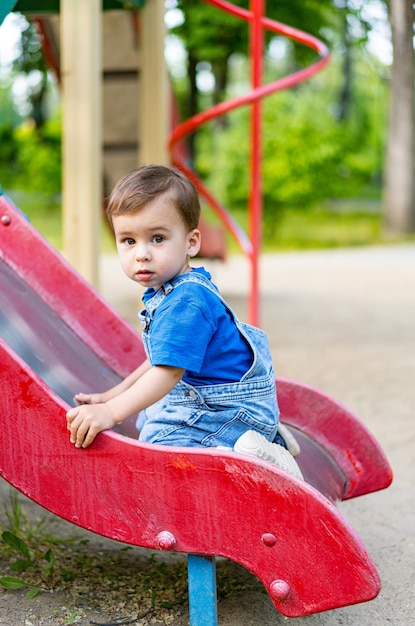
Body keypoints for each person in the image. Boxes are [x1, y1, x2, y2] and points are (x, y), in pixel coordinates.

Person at [66, 165, 302, 478]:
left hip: (224, 411)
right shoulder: (170, 289)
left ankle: (249, 454)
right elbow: (160, 359)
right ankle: (260, 435)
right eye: (128, 241)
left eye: (158, 238)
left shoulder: (187, 300)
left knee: (158, 448)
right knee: (149, 413)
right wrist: (113, 396)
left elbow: (168, 371)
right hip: (214, 403)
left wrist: (110, 412)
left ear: (191, 243)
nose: (142, 254)